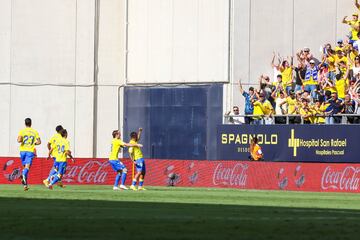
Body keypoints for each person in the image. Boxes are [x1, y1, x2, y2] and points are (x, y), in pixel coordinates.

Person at [17, 118, 41, 191]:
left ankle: (25, 185)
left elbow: (19, 140)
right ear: (31, 123)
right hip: (29, 151)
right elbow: (39, 142)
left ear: (25, 123)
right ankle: (23, 175)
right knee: (27, 168)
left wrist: (21, 140)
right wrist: (34, 143)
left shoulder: (22, 131)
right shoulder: (35, 132)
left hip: (22, 151)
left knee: (25, 168)